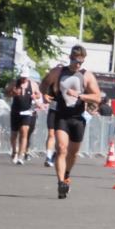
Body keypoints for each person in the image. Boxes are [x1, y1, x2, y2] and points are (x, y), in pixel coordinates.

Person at [41, 46, 102, 198]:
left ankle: (66, 174)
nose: (78, 65)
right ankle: (61, 182)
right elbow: (45, 82)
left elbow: (97, 97)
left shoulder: (86, 76)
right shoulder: (58, 72)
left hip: (78, 118)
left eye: (81, 62)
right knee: (61, 148)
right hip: (61, 116)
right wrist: (44, 95)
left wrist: (80, 96)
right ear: (70, 58)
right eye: (76, 61)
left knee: (73, 153)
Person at [4, 65, 36, 165]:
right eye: (22, 77)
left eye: (25, 77)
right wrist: (12, 93)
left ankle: (21, 155)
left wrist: (35, 96)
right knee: (14, 134)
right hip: (16, 111)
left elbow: (39, 94)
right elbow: (6, 93)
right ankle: (14, 151)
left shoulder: (33, 84)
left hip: (27, 112)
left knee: (24, 131)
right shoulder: (14, 83)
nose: (23, 79)